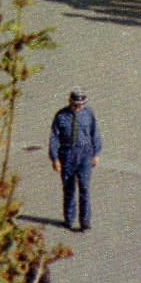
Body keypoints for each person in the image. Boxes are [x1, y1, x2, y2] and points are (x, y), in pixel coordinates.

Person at [48, 88, 102, 232]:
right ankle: (69, 219)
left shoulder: (89, 114)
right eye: (75, 105)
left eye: (81, 105)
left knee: (84, 188)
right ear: (70, 102)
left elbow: (95, 133)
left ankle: (85, 221)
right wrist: (54, 159)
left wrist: (96, 153)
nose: (78, 108)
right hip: (67, 154)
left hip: (84, 153)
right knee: (69, 188)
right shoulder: (61, 116)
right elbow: (54, 138)